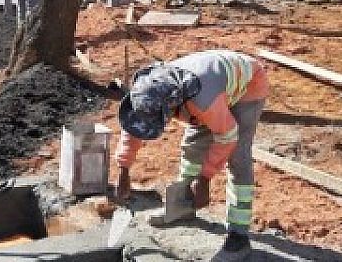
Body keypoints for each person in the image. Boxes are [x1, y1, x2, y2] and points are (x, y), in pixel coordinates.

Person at [115, 49, 269, 260]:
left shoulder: (203, 102)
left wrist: (205, 179)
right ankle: (182, 207)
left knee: (237, 158)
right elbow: (133, 126)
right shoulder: (146, 90)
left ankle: (238, 236)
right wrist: (124, 168)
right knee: (193, 145)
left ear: (170, 108)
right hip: (210, 86)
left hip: (247, 87)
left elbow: (227, 136)